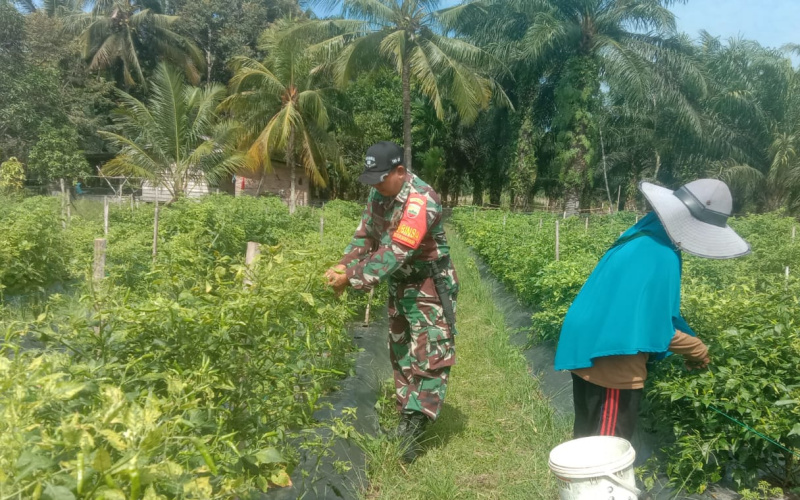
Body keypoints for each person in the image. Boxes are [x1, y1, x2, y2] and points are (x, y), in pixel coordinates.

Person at [554, 179, 751, 440]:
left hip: (590, 344)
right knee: (607, 445)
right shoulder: (660, 254)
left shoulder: (640, 236)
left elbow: (648, 312)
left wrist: (689, 338)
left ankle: (579, 480)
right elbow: (655, 329)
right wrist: (697, 350)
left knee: (589, 435)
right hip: (611, 360)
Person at [325, 141, 458, 462]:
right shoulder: (379, 193)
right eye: (371, 179)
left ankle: (414, 428)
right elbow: (366, 235)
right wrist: (344, 263)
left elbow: (398, 249)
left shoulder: (420, 200)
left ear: (400, 172)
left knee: (429, 352)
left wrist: (353, 277)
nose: (375, 186)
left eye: (380, 178)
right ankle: (405, 413)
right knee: (400, 350)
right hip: (399, 284)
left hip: (428, 283)